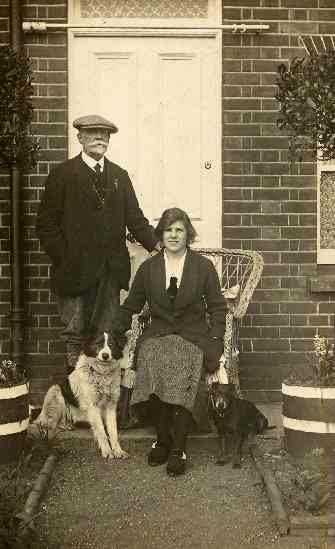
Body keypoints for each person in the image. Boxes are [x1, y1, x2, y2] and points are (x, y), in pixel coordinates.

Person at [36, 114, 160, 371]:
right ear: (79, 137)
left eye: (105, 134)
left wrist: (158, 246)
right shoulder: (63, 175)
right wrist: (65, 257)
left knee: (106, 336)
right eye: (92, 133)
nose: (99, 138)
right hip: (74, 273)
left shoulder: (119, 176)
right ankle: (77, 402)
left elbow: (135, 219)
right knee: (75, 333)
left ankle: (101, 401)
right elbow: (45, 225)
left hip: (109, 273)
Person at [115, 207, 226, 476]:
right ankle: (162, 438)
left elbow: (218, 308)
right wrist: (114, 331)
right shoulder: (149, 268)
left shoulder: (203, 267)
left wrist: (215, 341)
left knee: (184, 359)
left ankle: (179, 447)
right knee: (151, 357)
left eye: (179, 230)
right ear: (161, 235)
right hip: (159, 333)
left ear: (188, 234)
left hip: (193, 334)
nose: (174, 235)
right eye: (168, 230)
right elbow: (131, 305)